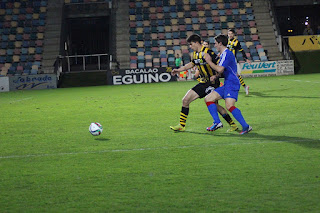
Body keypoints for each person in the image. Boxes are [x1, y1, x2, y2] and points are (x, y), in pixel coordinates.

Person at [170, 34, 238, 132]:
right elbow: (191, 64)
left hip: (212, 83)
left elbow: (219, 65)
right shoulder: (194, 54)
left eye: (191, 44)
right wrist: (179, 70)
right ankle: (181, 125)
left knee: (215, 105)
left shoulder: (208, 52)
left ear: (196, 42)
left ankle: (231, 124)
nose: (190, 46)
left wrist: (216, 76)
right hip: (202, 83)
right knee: (185, 100)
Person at [204, 34, 252, 134]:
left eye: (216, 43)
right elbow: (222, 70)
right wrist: (216, 76)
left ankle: (246, 126)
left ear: (220, 43)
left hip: (232, 83)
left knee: (229, 106)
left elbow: (220, 69)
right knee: (208, 98)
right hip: (227, 83)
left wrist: (209, 61)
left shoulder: (227, 53)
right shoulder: (222, 54)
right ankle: (217, 122)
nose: (215, 46)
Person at [227, 29, 250, 95]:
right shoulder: (226, 41)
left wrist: (246, 58)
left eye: (231, 34)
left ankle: (245, 86)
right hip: (226, 60)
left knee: (236, 75)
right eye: (229, 34)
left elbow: (241, 51)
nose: (230, 35)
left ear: (234, 34)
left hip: (233, 61)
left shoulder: (236, 42)